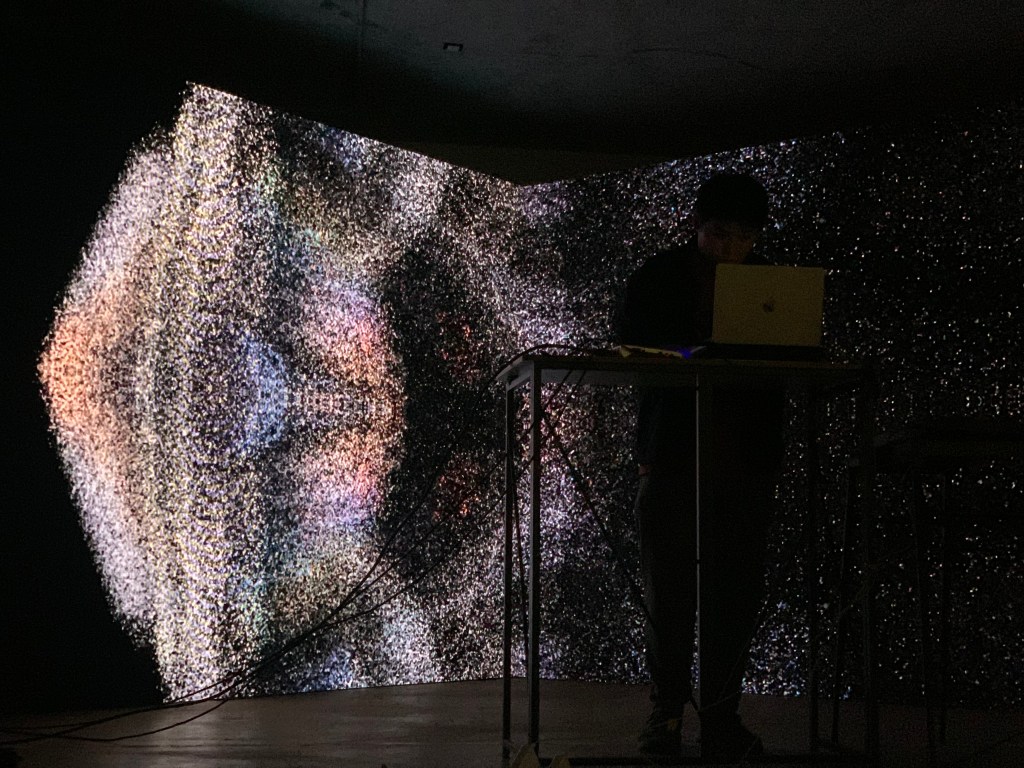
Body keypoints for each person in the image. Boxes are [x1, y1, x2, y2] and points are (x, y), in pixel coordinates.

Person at [618, 173, 785, 761]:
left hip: (744, 461)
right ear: (697, 227)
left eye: (743, 237)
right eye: (720, 234)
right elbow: (630, 346)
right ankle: (667, 713)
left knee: (733, 595)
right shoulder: (659, 277)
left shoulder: (771, 285)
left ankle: (719, 717)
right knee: (669, 594)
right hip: (671, 455)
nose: (732, 248)